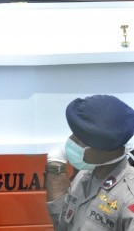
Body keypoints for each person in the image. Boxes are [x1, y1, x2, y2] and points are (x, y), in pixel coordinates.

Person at [45, 94, 134, 230]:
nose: (71, 141)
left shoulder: (128, 197)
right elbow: (63, 224)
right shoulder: (85, 175)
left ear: (105, 150)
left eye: (80, 140)